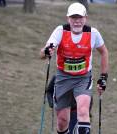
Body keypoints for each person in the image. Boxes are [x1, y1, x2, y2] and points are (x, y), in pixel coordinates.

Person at [40, 2, 109, 134]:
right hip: (63, 78)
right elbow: (43, 53)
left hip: (83, 78)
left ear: (85, 18)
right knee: (62, 121)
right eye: (73, 18)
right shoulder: (60, 31)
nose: (77, 22)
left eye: (80, 18)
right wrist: (46, 51)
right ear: (68, 19)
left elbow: (104, 52)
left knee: (83, 111)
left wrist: (103, 77)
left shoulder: (93, 33)